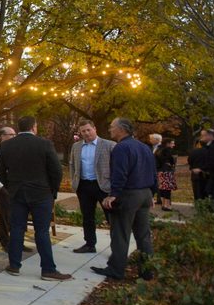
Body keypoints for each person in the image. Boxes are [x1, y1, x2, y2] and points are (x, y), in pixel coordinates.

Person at [0, 116, 71, 281]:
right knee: (42, 231)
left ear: (19, 127)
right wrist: (52, 190)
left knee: (16, 229)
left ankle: (14, 265)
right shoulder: (44, 144)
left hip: (17, 193)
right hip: (41, 194)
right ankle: (48, 269)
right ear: (34, 127)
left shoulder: (6, 146)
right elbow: (56, 171)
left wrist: (10, 186)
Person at [92, 118, 156, 281]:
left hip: (128, 195)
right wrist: (152, 194)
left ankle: (116, 269)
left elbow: (119, 173)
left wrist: (114, 194)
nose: (110, 129)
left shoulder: (121, 148)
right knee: (143, 235)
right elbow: (153, 172)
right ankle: (147, 270)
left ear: (122, 129)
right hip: (145, 194)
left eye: (112, 127)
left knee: (120, 233)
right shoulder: (144, 147)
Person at [68, 119, 115, 253]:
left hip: (103, 186)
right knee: (87, 217)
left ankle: (116, 246)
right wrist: (74, 181)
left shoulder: (109, 145)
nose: (86, 133)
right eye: (83, 131)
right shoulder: (76, 146)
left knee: (111, 218)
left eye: (89, 130)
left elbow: (116, 167)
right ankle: (89, 244)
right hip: (83, 186)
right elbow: (72, 165)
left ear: (95, 129)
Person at [155, 138, 177, 212]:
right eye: (172, 143)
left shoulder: (158, 150)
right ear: (167, 143)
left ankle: (163, 204)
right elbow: (171, 160)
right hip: (167, 171)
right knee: (167, 189)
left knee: (162, 188)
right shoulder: (167, 150)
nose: (173, 145)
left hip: (160, 171)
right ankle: (167, 205)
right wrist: (171, 163)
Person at [188, 134, 210, 201]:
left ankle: (198, 206)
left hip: (195, 175)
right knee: (207, 193)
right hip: (207, 174)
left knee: (197, 192)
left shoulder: (193, 152)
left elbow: (190, 161)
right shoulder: (209, 151)